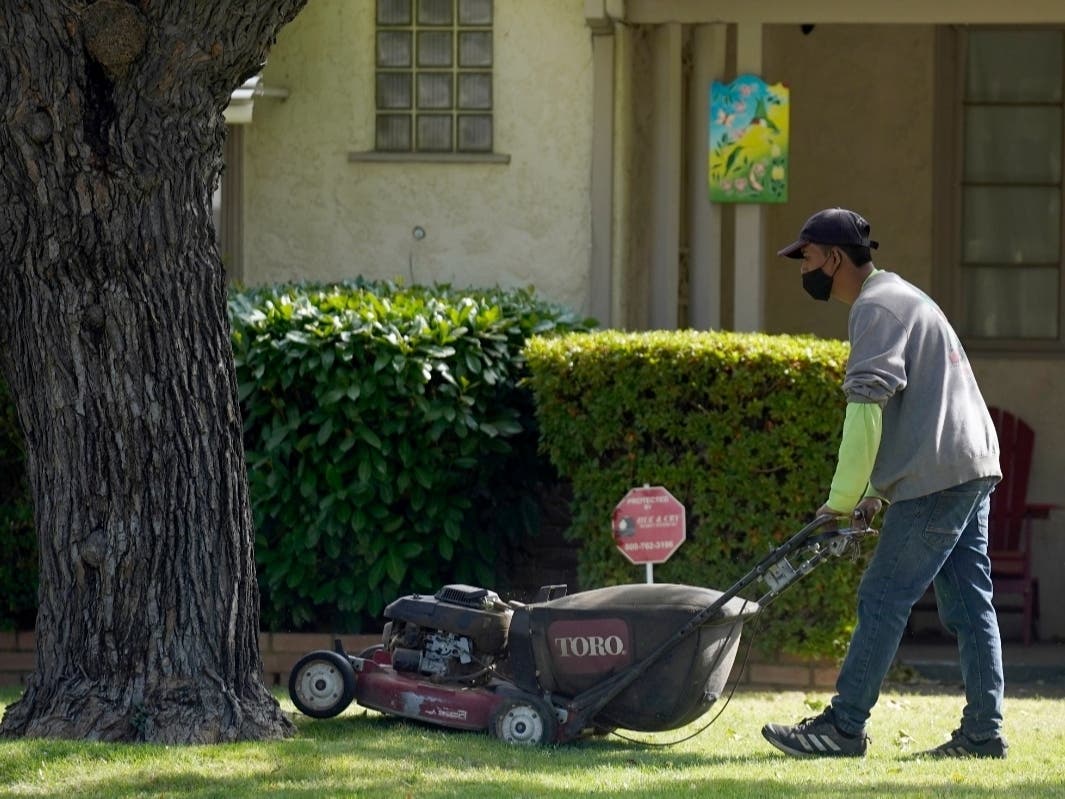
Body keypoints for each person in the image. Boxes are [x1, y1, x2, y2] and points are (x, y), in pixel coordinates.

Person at [761, 207, 1006, 759]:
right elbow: (912, 407)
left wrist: (840, 502)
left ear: (834, 258)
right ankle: (983, 733)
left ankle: (844, 727)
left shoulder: (875, 307)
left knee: (882, 596)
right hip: (971, 464)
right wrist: (873, 495)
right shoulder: (903, 296)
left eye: (806, 257)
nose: (803, 269)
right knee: (971, 606)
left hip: (939, 477)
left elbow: (867, 408)